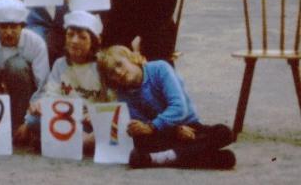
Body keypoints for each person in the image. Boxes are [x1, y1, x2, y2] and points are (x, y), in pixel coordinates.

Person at [97, 45, 236, 170]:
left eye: (119, 64)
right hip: (163, 134)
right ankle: (186, 156)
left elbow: (179, 107)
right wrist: (171, 131)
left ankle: (156, 159)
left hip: (188, 126)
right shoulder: (123, 94)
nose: (119, 72)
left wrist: (154, 126)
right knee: (139, 141)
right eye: (112, 73)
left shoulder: (159, 68)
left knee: (224, 132)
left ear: (131, 58)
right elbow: (141, 125)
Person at [13, 10, 112, 150]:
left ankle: (71, 141)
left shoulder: (102, 65)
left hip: (92, 121)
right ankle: (74, 141)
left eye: (82, 37)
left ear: (94, 42)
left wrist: (96, 114)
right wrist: (40, 106)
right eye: (70, 35)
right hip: (67, 118)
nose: (74, 41)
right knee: (33, 120)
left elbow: (114, 99)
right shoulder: (60, 64)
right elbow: (51, 94)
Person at [0, 0, 50, 131]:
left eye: (13, 27)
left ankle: (18, 124)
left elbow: (43, 86)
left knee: (16, 65)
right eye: (4, 27)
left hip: (23, 96)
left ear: (22, 26)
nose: (8, 32)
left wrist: (28, 120)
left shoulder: (36, 44)